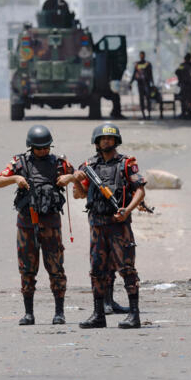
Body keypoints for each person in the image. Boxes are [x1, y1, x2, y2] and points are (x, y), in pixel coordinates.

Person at [0, 125, 76, 325]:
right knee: (27, 269)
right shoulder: (20, 162)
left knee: (56, 268)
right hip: (26, 225)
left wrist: (70, 177)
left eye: (46, 147)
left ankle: (59, 312)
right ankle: (29, 313)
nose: (43, 151)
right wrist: (16, 178)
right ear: (31, 147)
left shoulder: (59, 163)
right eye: (39, 148)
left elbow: (81, 175)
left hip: (51, 224)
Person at [72, 123, 146, 329]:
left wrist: (127, 210)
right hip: (97, 225)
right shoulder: (88, 166)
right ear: (96, 142)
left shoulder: (126, 163)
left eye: (110, 139)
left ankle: (134, 314)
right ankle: (98, 314)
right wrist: (76, 181)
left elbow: (140, 191)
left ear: (116, 141)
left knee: (127, 269)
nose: (106, 141)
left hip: (118, 225)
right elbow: (78, 195)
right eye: (102, 138)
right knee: (97, 270)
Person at [130, 51, 155, 120]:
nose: (141, 56)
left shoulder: (148, 64)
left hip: (147, 84)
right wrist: (131, 83)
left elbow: (150, 74)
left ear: (144, 55)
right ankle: (143, 115)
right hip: (140, 84)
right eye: (140, 55)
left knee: (148, 99)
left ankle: (149, 115)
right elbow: (134, 74)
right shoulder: (137, 64)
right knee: (141, 100)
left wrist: (152, 83)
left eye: (142, 55)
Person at [175, 53, 191, 119]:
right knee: (189, 100)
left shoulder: (183, 65)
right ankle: (188, 113)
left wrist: (180, 78)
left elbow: (177, 72)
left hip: (185, 85)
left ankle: (185, 113)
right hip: (189, 86)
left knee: (184, 99)